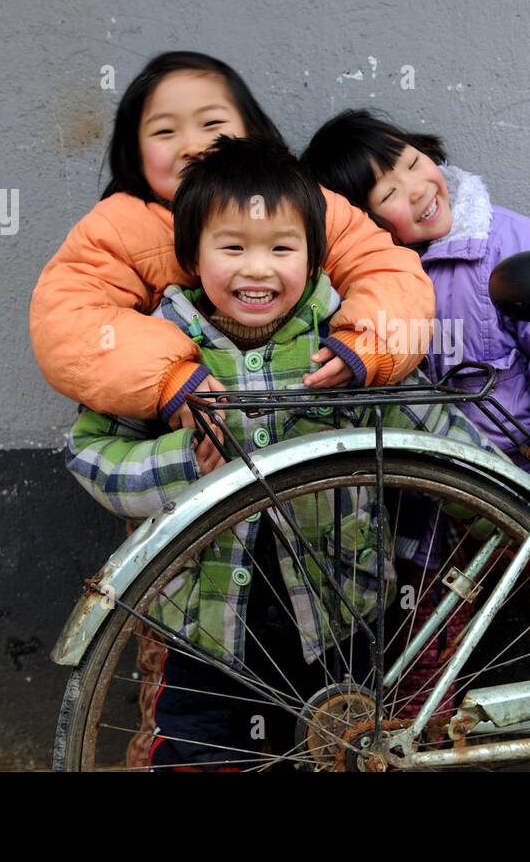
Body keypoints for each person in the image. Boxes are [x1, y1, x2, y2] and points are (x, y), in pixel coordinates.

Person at [64, 137, 495, 769]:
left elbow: (426, 425)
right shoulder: (159, 351)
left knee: (343, 754)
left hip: (341, 621)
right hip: (205, 629)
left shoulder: (345, 341)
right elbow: (95, 455)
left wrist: (506, 509)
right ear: (192, 254)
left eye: (282, 248)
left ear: (316, 256)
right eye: (232, 247)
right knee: (199, 756)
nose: (257, 269)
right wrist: (185, 463)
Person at [28, 53, 436, 441]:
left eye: (212, 122)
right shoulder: (116, 227)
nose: (190, 145)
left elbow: (386, 269)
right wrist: (163, 375)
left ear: (251, 131)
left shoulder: (302, 202)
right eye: (165, 131)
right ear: (134, 149)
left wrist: (371, 342)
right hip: (193, 444)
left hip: (307, 411)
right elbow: (65, 323)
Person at [301, 109, 530, 528]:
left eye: (413, 163)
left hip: (525, 489)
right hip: (422, 504)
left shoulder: (511, 248)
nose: (416, 190)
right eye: (389, 194)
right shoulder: (368, 289)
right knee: (437, 595)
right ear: (363, 221)